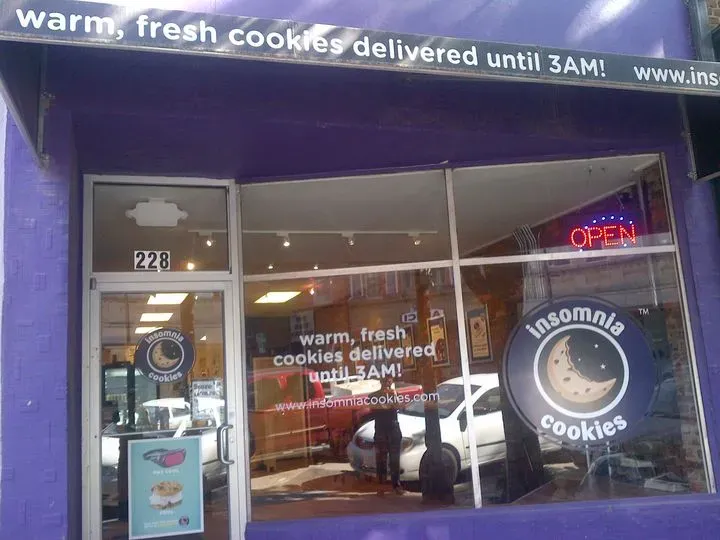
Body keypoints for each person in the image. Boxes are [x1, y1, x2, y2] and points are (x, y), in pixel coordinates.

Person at [369, 375, 404, 495]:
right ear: (381, 382)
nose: (387, 384)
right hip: (381, 430)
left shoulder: (396, 395)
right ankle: (381, 486)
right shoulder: (373, 396)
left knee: (395, 460)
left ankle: (396, 485)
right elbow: (375, 409)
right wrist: (386, 401)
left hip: (393, 429)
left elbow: (399, 407)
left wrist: (394, 396)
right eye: (385, 382)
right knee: (381, 461)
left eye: (389, 382)